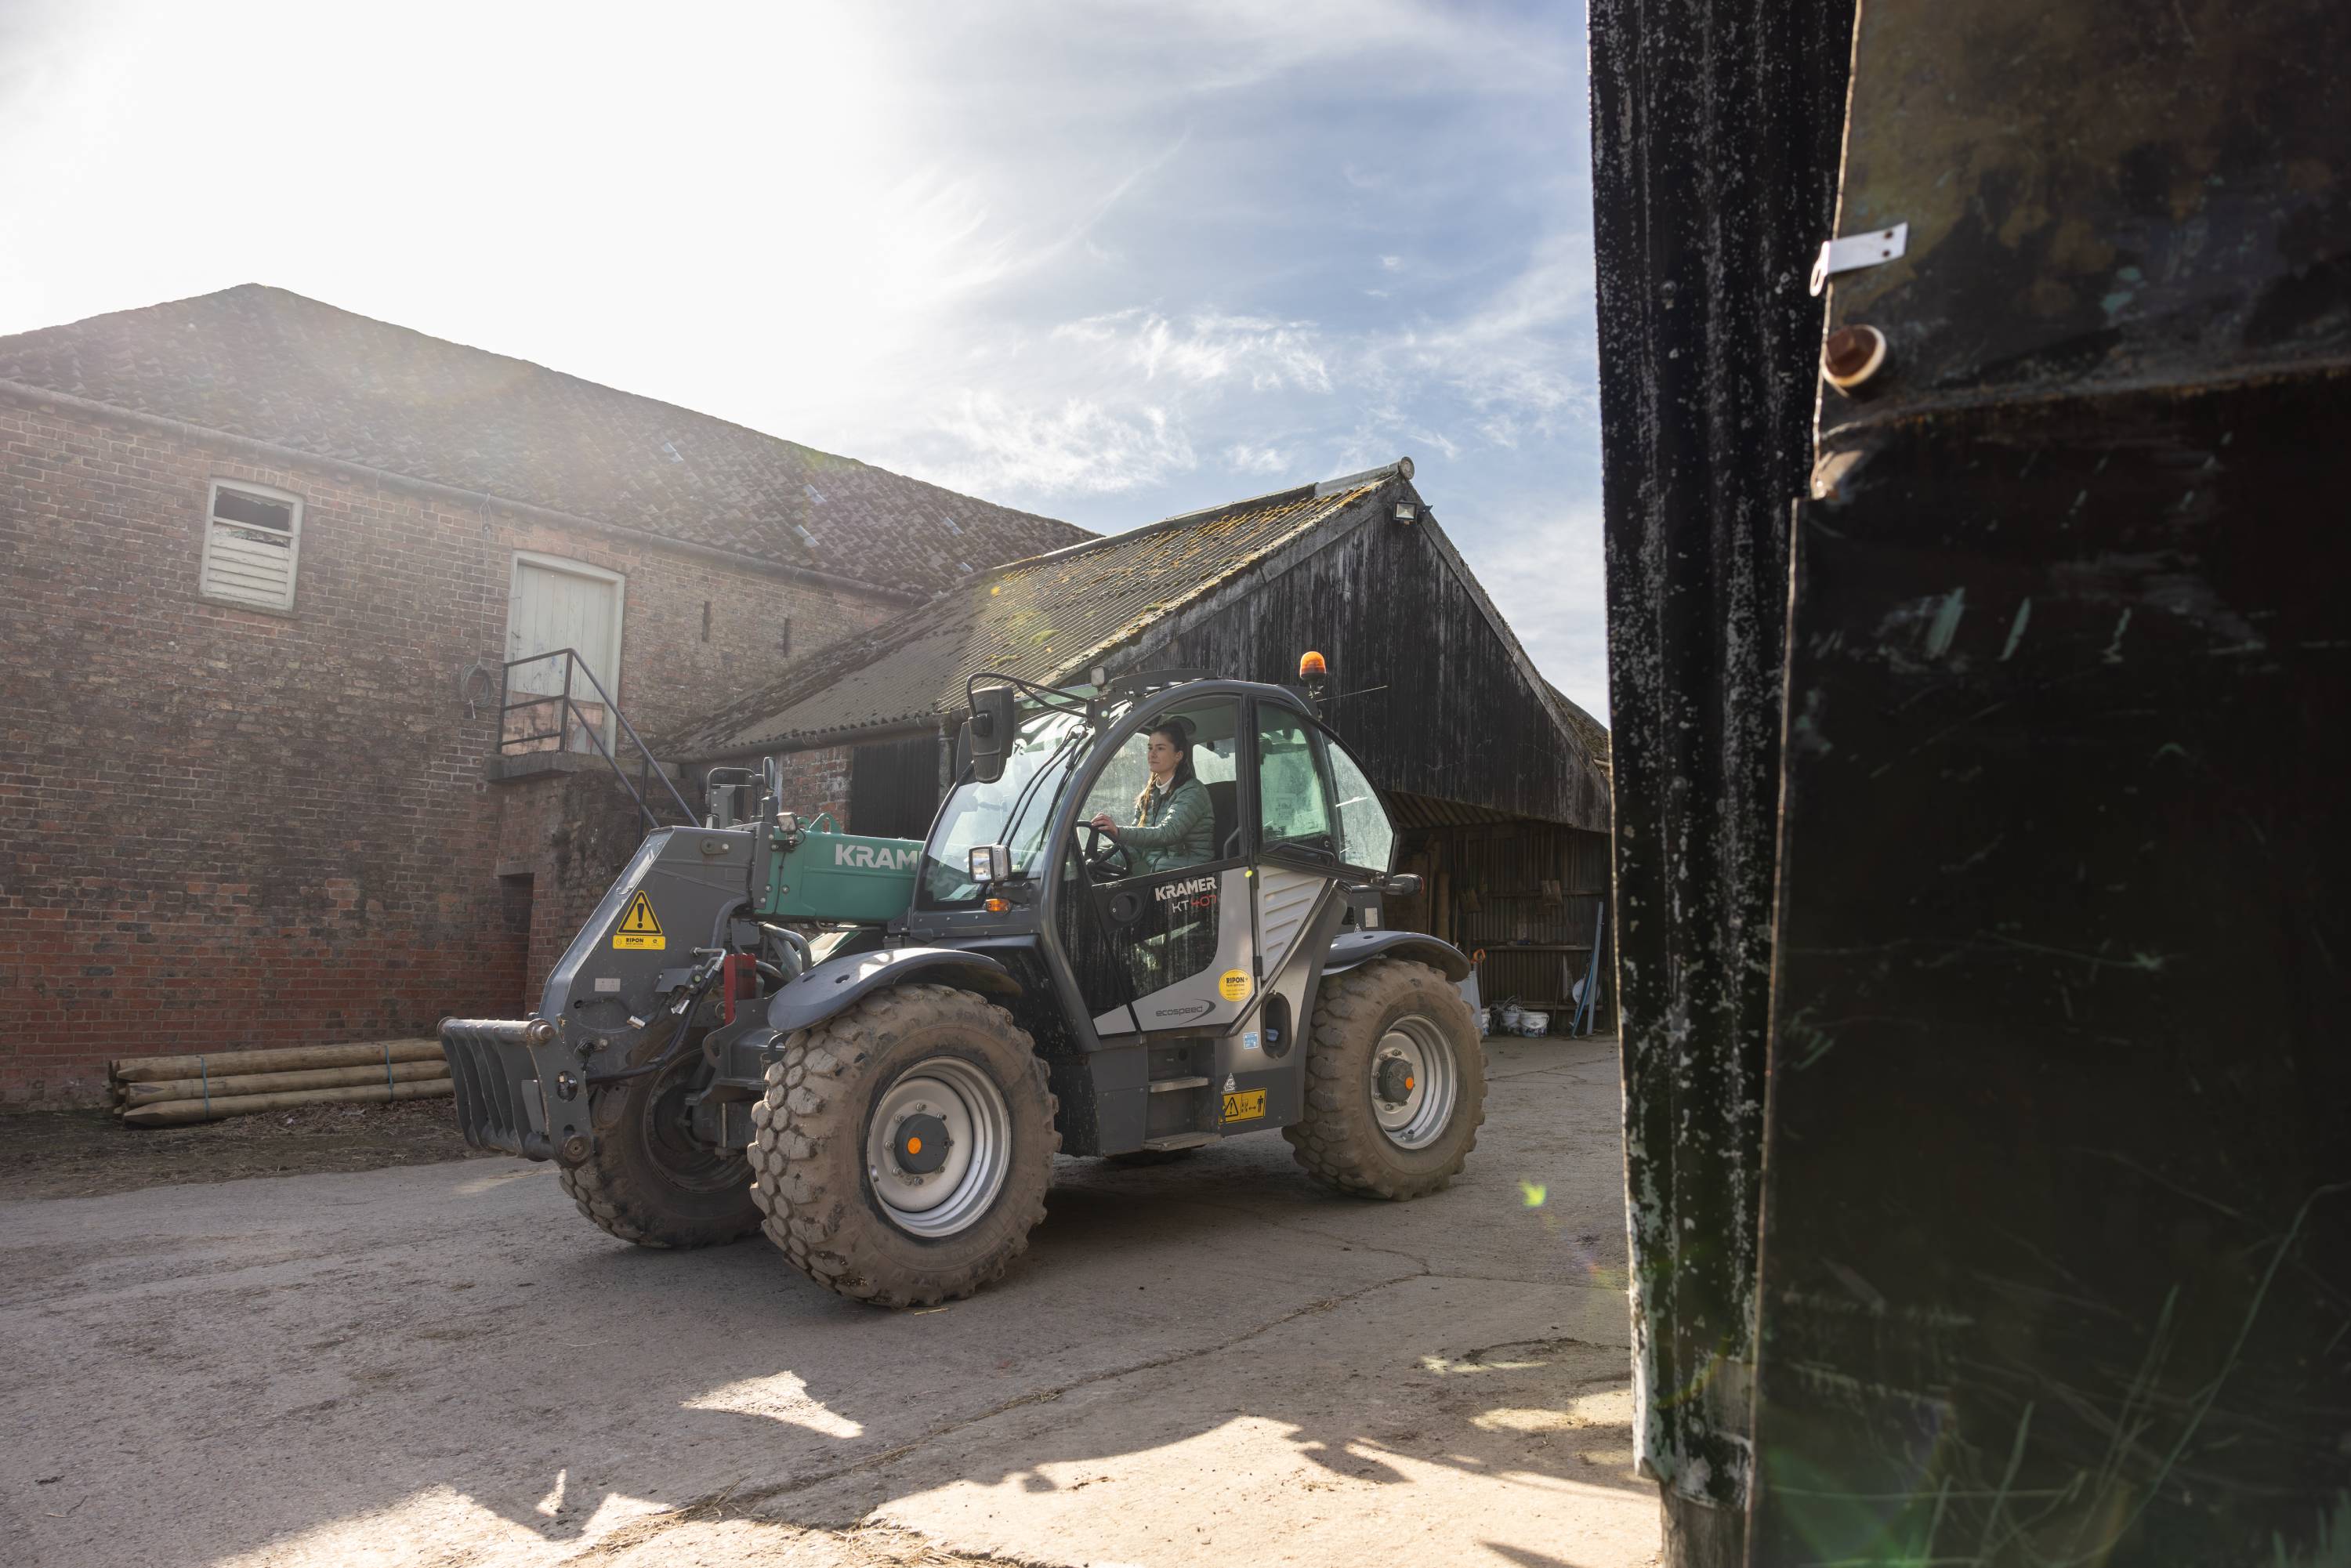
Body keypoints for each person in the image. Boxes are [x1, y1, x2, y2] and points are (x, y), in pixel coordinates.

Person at [1089, 718, 1213, 874]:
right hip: (1158, 868)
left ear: (1178, 756)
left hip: (1192, 873)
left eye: (1160, 748)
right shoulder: (1148, 795)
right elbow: (1136, 848)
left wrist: (1118, 832)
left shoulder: (1192, 792)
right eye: (1150, 748)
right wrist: (1098, 859)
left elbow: (1168, 833)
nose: (1152, 754)